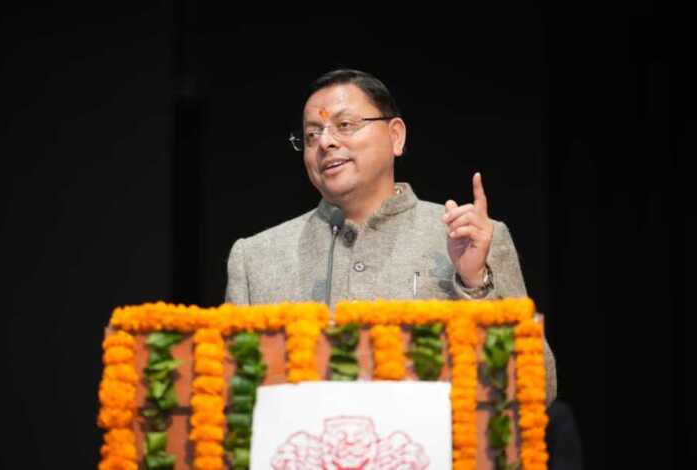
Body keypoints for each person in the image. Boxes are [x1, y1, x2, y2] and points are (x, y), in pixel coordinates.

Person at [224, 69, 556, 405]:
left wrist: (475, 284)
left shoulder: (469, 237)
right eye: (312, 135)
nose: (325, 142)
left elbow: (538, 388)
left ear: (395, 136)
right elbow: (228, 398)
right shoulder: (257, 258)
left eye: (345, 125)